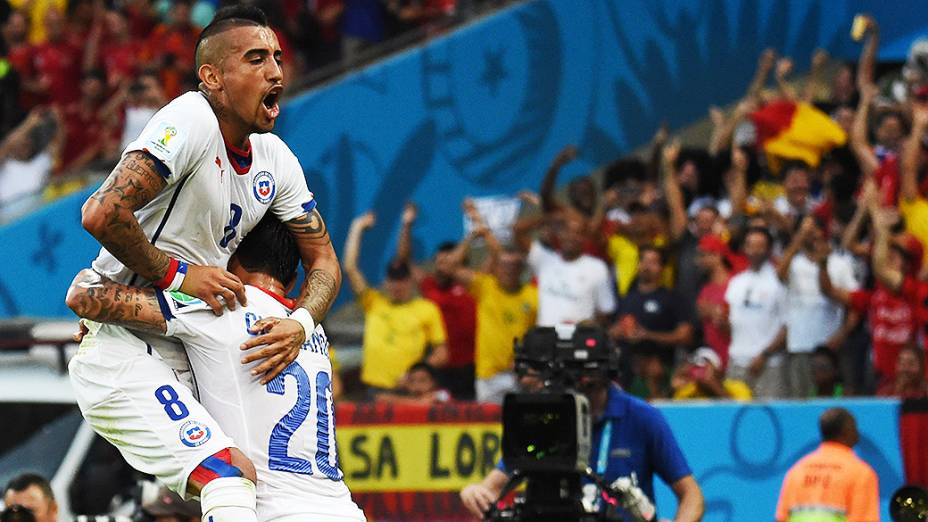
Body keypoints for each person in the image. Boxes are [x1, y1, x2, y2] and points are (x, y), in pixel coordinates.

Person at [70, 6, 341, 521]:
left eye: (278, 59)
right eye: (256, 59)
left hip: (187, 340)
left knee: (250, 491)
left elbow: (323, 256)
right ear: (212, 78)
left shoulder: (275, 159)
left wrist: (300, 323)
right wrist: (178, 274)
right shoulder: (191, 118)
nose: (275, 73)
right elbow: (103, 212)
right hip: (121, 334)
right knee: (229, 478)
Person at [66, 215, 365, 521]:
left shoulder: (223, 306)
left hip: (274, 512)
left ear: (229, 259)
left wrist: (101, 324)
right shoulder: (310, 331)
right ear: (291, 280)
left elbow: (86, 297)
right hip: (342, 509)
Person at [459, 355, 705, 521]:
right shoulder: (549, 418)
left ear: (606, 380)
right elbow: (490, 486)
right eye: (575, 387)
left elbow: (691, 495)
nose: (584, 397)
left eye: (591, 388)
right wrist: (474, 492)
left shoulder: (642, 417)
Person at [343, 211, 449, 394]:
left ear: (410, 280)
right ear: (386, 281)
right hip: (375, 389)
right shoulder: (374, 302)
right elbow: (350, 268)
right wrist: (357, 228)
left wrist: (417, 373)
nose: (397, 285)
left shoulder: (426, 308)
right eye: (393, 280)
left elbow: (442, 352)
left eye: (402, 280)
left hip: (410, 390)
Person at [447, 206, 538, 404]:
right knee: (489, 429)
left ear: (521, 269)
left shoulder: (532, 296)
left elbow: (539, 333)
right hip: (489, 376)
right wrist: (473, 234)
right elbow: (450, 266)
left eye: (513, 267)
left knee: (521, 430)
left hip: (521, 375)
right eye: (504, 266)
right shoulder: (486, 286)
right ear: (496, 268)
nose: (508, 271)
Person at [395, 202, 477, 400]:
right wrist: (407, 225)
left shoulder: (474, 285)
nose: (442, 267)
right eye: (438, 262)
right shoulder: (429, 285)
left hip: (471, 367)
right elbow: (404, 260)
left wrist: (473, 230)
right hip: (440, 370)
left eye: (447, 261)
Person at [777, 216, 859, 398]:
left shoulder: (840, 263)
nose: (811, 233)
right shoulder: (794, 262)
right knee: (800, 405)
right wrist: (798, 237)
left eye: (814, 228)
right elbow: (780, 273)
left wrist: (842, 335)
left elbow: (855, 304)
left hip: (830, 347)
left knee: (836, 403)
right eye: (807, 230)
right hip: (800, 346)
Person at [612, 246, 693, 400]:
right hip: (627, 371)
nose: (647, 266)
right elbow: (613, 330)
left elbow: (685, 336)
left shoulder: (673, 299)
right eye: (643, 261)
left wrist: (648, 335)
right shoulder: (627, 298)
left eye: (653, 262)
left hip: (660, 370)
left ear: (662, 268)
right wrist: (615, 332)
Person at [775, 408, 878, 522]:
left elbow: (782, 518)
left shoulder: (797, 470)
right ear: (846, 430)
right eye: (855, 428)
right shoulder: (861, 474)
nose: (857, 433)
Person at [521, 212, 616, 327]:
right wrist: (548, 217)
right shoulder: (544, 259)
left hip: (578, 340)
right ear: (559, 234)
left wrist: (588, 328)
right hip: (545, 340)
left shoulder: (597, 267)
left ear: (584, 238)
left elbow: (606, 309)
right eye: (566, 231)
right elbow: (518, 231)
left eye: (577, 233)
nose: (571, 236)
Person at [725, 226, 788, 398]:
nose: (755, 251)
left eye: (760, 246)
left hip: (769, 364)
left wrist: (765, 354)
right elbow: (731, 322)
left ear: (769, 249)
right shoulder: (736, 282)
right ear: (744, 248)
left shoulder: (778, 281)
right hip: (737, 361)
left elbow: (786, 326)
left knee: (769, 418)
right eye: (750, 245)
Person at [671, 347, 752, 400]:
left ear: (717, 370)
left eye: (706, 366)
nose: (700, 372)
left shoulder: (737, 387)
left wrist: (715, 388)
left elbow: (741, 414)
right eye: (697, 367)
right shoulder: (687, 391)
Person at [375, 362, 452, 405]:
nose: (417, 386)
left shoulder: (442, 395)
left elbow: (422, 404)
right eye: (412, 381)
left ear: (433, 382)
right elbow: (380, 398)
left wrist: (390, 400)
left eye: (422, 380)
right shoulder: (405, 396)